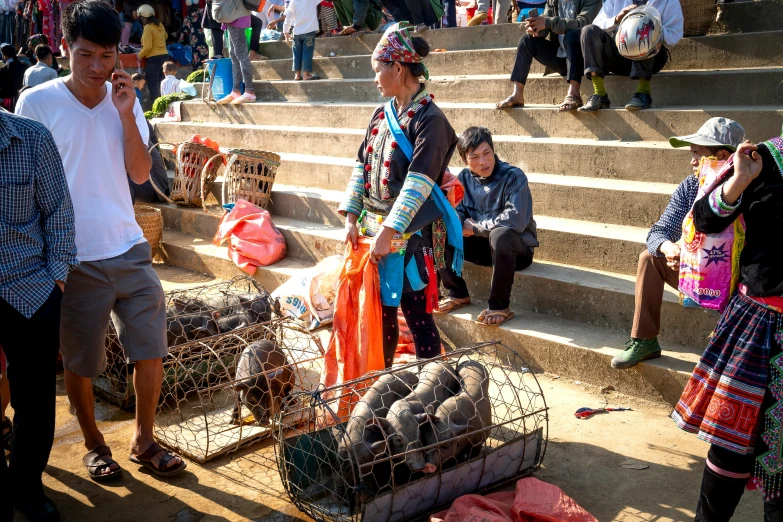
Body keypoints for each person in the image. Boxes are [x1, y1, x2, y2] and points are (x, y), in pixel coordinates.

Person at [16, 0, 186, 484]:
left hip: (129, 245)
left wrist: (128, 113)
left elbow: (138, 173)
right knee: (81, 361)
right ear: (66, 49)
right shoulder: (38, 103)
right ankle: (94, 444)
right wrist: (49, 261)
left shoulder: (126, 101)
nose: (97, 67)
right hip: (71, 257)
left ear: (120, 54)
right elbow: (27, 187)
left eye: (107, 56)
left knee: (150, 348)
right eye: (85, 54)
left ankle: (144, 439)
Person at [672, 130, 783, 520]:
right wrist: (739, 180)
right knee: (731, 446)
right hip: (758, 326)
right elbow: (703, 218)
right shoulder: (761, 160)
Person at [339, 23, 462, 367]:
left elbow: (419, 183)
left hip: (410, 234)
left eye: (378, 70)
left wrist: (389, 231)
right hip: (373, 229)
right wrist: (351, 219)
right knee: (382, 313)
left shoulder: (431, 120)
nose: (376, 78)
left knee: (417, 314)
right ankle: (384, 384)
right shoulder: (381, 114)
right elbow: (360, 166)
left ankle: (430, 386)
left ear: (397, 67)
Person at [611, 118, 745, 370]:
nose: (692, 160)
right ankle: (644, 340)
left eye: (697, 153)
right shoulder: (691, 185)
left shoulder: (749, 188)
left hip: (738, 284)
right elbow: (658, 232)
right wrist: (670, 248)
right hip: (695, 274)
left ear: (724, 155)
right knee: (650, 258)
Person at [0, 108, 77, 522]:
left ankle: (26, 487)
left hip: (30, 288)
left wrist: (56, 281)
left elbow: (59, 211)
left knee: (34, 400)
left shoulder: (32, 138)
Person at [436, 127, 538, 326]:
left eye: (487, 153)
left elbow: (514, 221)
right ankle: (457, 292)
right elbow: (460, 210)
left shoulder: (514, 177)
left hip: (516, 251)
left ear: (493, 151)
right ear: (465, 160)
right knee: (440, 224)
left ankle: (500, 306)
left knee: (501, 234)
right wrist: (455, 220)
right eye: (474, 157)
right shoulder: (464, 178)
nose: (483, 162)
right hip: (482, 249)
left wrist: (475, 229)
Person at [578, 0, 683, 112]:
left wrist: (652, 27)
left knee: (645, 25)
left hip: (653, 58)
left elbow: (675, 33)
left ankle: (643, 93)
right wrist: (617, 19)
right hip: (620, 55)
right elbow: (598, 23)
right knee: (588, 30)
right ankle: (600, 94)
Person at [496, 0, 599, 111]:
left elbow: (583, 23)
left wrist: (548, 22)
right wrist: (536, 28)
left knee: (572, 34)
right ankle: (517, 94)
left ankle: (574, 93)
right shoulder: (552, 1)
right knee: (526, 41)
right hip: (562, 58)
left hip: (584, 59)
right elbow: (546, 23)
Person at [211, 0, 257, 104]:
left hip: (237, 17)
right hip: (233, 16)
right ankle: (236, 91)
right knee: (234, 55)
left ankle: (249, 91)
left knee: (241, 54)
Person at [137, 4, 170, 106]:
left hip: (154, 58)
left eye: (141, 18)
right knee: (162, 83)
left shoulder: (148, 27)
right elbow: (166, 36)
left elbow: (147, 47)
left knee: (153, 84)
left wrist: (139, 55)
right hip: (164, 56)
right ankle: (164, 106)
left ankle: (156, 107)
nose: (141, 20)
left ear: (144, 17)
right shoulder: (160, 25)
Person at [283, 0, 322, 81]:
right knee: (307, 52)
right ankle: (306, 74)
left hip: (297, 33)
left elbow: (288, 17)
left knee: (296, 53)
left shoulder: (292, 2)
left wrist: (285, 31)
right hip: (309, 32)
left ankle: (297, 75)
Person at [179, 0, 210, 67]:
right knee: (208, 59)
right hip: (206, 39)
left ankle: (199, 73)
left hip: (195, 43)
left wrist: (180, 43)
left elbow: (184, 32)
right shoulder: (204, 12)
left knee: (197, 61)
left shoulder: (188, 17)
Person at [0, 43, 27, 112]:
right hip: (22, 98)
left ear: (4, 55)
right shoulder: (23, 65)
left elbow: (3, 87)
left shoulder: (4, 69)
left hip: (9, 101)